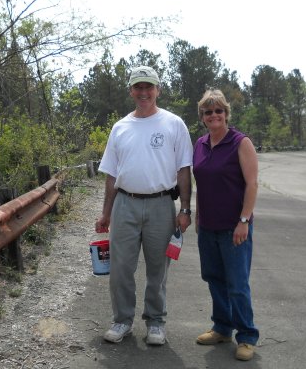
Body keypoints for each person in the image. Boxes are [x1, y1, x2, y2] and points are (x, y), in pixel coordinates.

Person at [95, 65, 193, 345]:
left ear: (158, 90)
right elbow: (112, 174)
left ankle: (155, 321)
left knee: (157, 268)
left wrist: (185, 209)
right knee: (121, 267)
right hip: (125, 204)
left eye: (149, 87)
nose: (143, 92)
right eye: (138, 87)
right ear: (131, 91)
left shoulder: (173, 124)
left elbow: (184, 169)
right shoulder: (120, 127)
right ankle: (122, 320)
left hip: (161, 205)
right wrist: (106, 213)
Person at [192, 89, 259, 361]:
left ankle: (246, 336)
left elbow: (252, 184)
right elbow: (201, 183)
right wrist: (197, 215)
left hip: (235, 227)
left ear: (226, 113)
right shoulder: (200, 144)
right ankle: (222, 327)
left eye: (218, 110)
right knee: (214, 278)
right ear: (203, 117)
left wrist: (244, 220)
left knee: (237, 283)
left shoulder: (240, 143)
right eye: (208, 112)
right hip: (208, 225)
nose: (214, 115)